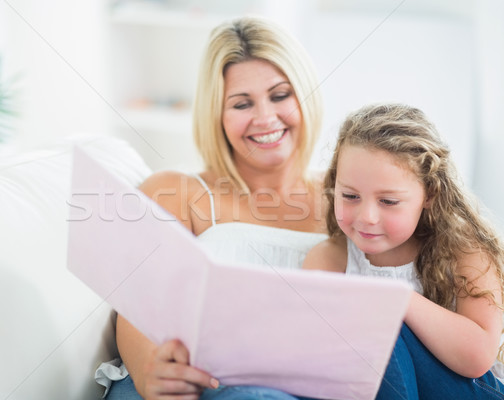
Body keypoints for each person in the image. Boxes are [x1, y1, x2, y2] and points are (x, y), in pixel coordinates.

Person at [102, 16, 328, 400]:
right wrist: (146, 370)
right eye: (242, 104)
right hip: (193, 380)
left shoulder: (350, 195)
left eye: (280, 95)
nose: (265, 118)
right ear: (217, 116)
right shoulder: (178, 191)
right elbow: (135, 305)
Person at [302, 102, 504, 399]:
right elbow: (309, 351)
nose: (367, 216)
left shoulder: (465, 252)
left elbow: (477, 358)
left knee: (383, 322)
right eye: (350, 196)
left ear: (429, 195)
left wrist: (399, 300)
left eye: (388, 201)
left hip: (470, 389)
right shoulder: (330, 259)